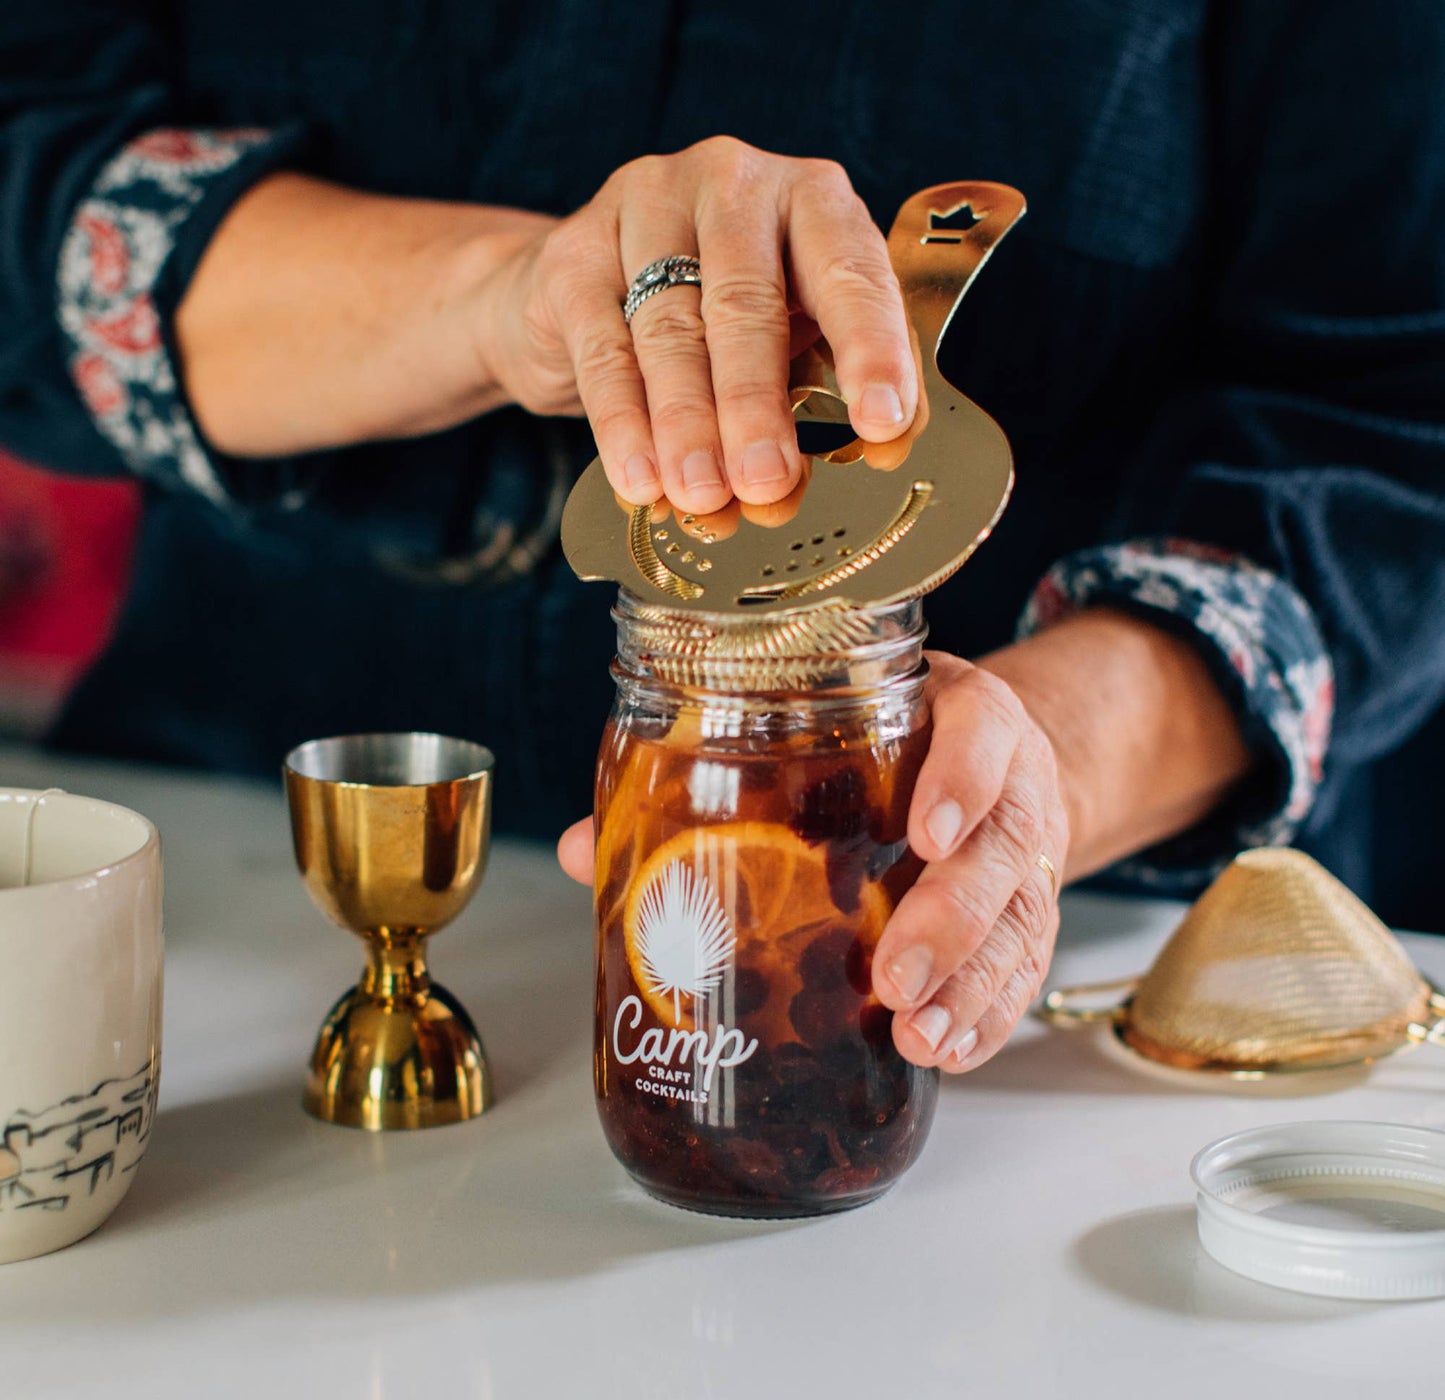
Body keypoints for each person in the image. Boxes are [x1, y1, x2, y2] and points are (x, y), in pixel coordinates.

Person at [2, 3, 1443, 1075]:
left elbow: (1395, 419)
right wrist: (503, 298)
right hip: (217, 905)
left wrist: (1036, 771)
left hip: (1033, 1004)